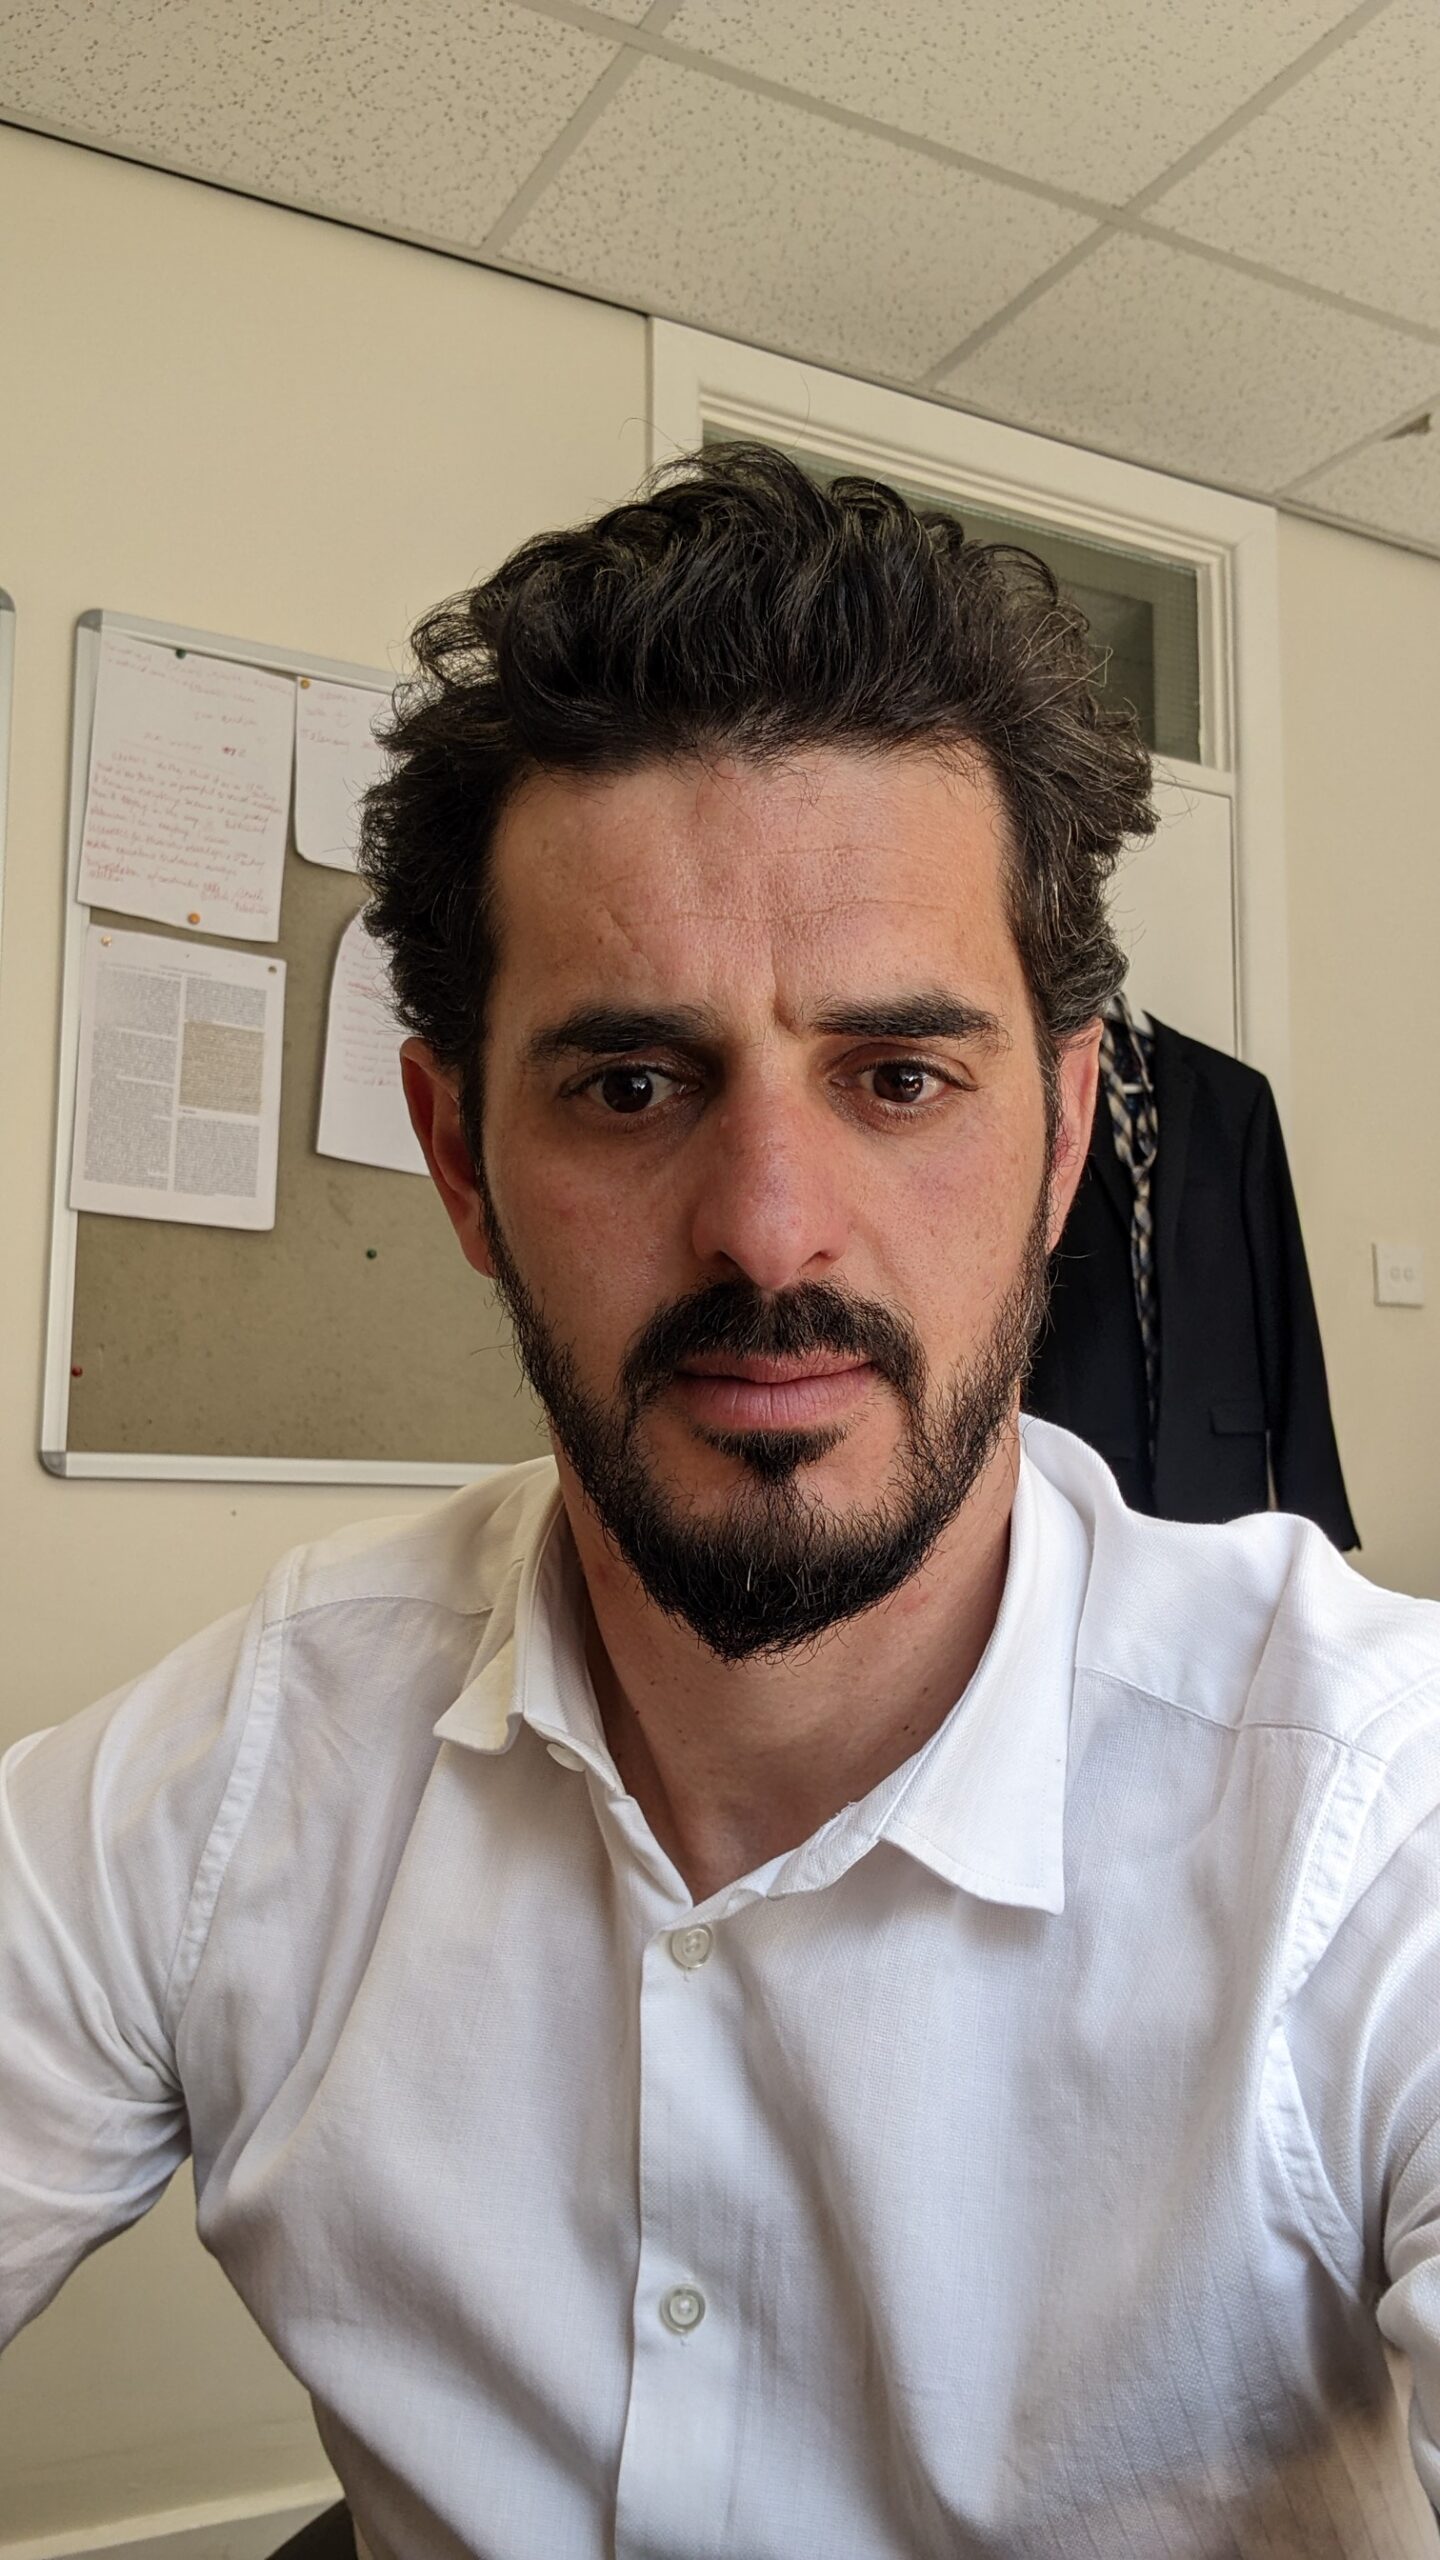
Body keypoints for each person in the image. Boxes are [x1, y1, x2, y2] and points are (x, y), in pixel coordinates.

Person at [3, 447, 1439, 2560]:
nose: (770, 1227)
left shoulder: (1368, 1821)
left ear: (1060, 1143)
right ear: (460, 1160)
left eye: (898, 1078)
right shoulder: (252, 1765)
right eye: (630, 1083)